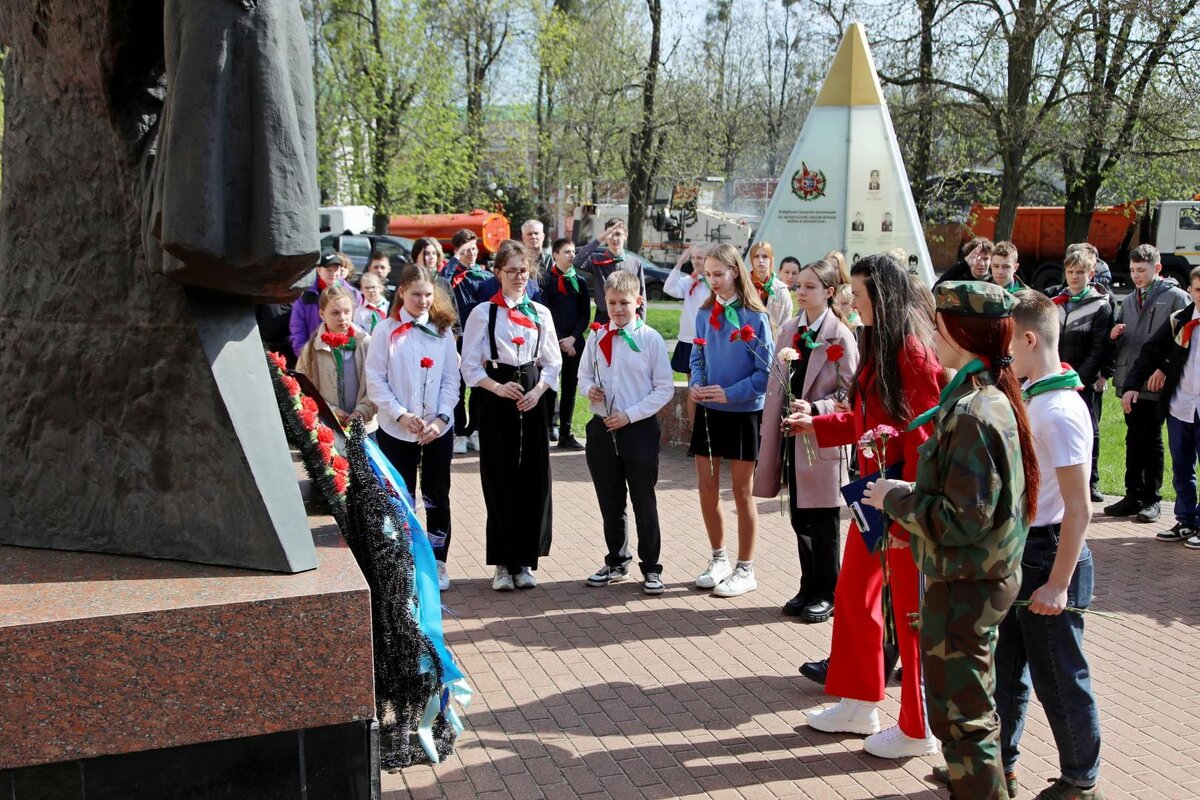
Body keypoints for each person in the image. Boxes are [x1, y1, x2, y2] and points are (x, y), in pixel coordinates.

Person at [864, 280, 1036, 797]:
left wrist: (896, 499)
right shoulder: (980, 397)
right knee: (963, 715)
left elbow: (962, 519)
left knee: (964, 720)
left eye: (936, 324)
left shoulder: (974, 411)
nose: (930, 334)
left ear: (955, 332)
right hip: (973, 577)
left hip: (967, 584)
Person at [789, 254, 942, 760]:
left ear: (883, 295)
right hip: (872, 495)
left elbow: (923, 437)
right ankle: (858, 700)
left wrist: (912, 508)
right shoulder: (878, 347)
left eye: (858, 292)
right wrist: (819, 425)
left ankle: (918, 727)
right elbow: (865, 419)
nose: (851, 300)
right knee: (854, 593)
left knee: (909, 615)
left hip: (900, 502)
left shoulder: (913, 355)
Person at [989, 289, 1105, 800]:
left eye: (1010, 342)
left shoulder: (1059, 410)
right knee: (1008, 669)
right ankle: (1002, 764)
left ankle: (1081, 781)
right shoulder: (1037, 393)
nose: (1005, 353)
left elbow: (1079, 510)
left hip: (1050, 551)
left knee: (1060, 677)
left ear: (1030, 338)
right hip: (1026, 547)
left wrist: (1059, 584)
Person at [753, 258, 858, 622]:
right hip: (792, 438)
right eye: (798, 285)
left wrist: (815, 407)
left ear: (829, 292)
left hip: (820, 439)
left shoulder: (840, 335)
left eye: (810, 287)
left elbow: (850, 396)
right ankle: (807, 584)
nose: (800, 291)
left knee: (823, 521)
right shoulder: (789, 329)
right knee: (799, 516)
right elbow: (775, 380)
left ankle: (828, 590)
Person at [460, 239, 562, 591]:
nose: (519, 277)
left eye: (524, 270)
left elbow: (553, 363)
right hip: (497, 392)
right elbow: (469, 366)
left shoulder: (541, 313)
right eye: (511, 270)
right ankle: (503, 562)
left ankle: (526, 562)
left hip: (531, 395)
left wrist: (537, 392)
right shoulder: (482, 313)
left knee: (532, 477)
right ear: (498, 272)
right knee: (499, 476)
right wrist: (496, 387)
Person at [579, 270, 675, 594]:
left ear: (638, 302)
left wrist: (630, 416)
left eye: (624, 303)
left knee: (643, 500)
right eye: (611, 303)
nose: (618, 309)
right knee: (610, 500)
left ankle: (652, 567)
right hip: (602, 428)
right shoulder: (596, 337)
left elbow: (664, 389)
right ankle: (616, 560)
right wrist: (589, 390)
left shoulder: (650, 339)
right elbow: (582, 377)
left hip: (638, 429)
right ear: (604, 303)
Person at [365, 264, 460, 591]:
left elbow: (451, 381)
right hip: (396, 429)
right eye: (416, 294)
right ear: (402, 292)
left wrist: (441, 418)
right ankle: (401, 558)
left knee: (436, 497)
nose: (422, 301)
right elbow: (376, 380)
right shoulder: (386, 330)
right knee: (399, 496)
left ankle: (437, 560)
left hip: (436, 431)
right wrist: (401, 414)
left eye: (428, 295)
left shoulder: (443, 332)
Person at [689, 243, 772, 598]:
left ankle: (745, 569)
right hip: (709, 413)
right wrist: (696, 384)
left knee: (741, 492)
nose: (713, 282)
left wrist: (729, 393)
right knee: (706, 488)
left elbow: (764, 374)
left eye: (718, 275)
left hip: (743, 414)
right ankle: (718, 558)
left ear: (736, 272)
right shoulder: (703, 313)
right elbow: (697, 356)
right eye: (707, 275)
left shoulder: (757, 317)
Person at [1108, 244, 1189, 522]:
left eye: (1141, 270)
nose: (1136, 276)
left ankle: (1152, 499)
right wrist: (1115, 334)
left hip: (1154, 382)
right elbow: (1122, 329)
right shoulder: (1130, 299)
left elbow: (1182, 339)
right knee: (1133, 438)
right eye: (1132, 270)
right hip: (1130, 377)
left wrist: (1164, 369)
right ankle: (1133, 494)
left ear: (1157, 269)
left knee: (1151, 438)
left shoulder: (1177, 298)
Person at [1123, 265, 1200, 546]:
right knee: (1182, 467)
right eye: (1198, 290)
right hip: (1181, 406)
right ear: (1190, 291)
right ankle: (1186, 520)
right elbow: (1151, 352)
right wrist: (1132, 385)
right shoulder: (1179, 320)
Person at [1048, 248, 1114, 503]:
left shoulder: (1100, 305)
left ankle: (1091, 481)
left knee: (1089, 430)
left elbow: (1100, 348)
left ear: (1091, 273)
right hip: (1055, 376)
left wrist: (1079, 379)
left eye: (1080, 272)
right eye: (1070, 271)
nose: (1074, 277)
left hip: (1082, 381)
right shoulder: (1055, 301)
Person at [295, 285, 377, 432]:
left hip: (365, 427)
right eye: (335, 313)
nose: (342, 318)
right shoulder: (312, 349)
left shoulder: (365, 343)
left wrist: (362, 411)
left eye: (347, 312)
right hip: (328, 428)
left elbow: (377, 384)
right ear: (321, 314)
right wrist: (330, 411)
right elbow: (304, 390)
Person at [439, 230, 492, 455]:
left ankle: (475, 431)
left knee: (480, 385)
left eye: (474, 248)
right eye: (465, 250)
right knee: (458, 386)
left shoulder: (484, 276)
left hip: (480, 339)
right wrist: (454, 260)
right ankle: (459, 431)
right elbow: (440, 280)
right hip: (457, 337)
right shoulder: (448, 275)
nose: (471, 253)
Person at [539, 237, 591, 449]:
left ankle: (566, 433)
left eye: (573, 252)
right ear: (555, 255)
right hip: (552, 343)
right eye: (567, 252)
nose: (572, 255)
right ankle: (547, 428)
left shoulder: (579, 281)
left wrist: (572, 338)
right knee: (549, 386)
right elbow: (545, 313)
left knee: (569, 388)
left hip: (574, 344)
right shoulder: (545, 281)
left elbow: (584, 314)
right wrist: (560, 340)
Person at [290, 252, 364, 358]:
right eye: (329, 270)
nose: (333, 274)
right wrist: (304, 355)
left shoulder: (353, 294)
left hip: (347, 353)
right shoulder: (305, 295)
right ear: (319, 270)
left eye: (336, 270)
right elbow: (298, 328)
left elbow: (359, 324)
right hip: (315, 354)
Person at [576, 218, 648, 324]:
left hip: (628, 317)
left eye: (618, 234)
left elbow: (641, 294)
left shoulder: (635, 263)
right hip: (603, 317)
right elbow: (577, 261)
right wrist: (599, 239)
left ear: (625, 236)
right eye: (610, 234)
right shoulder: (596, 260)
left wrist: (641, 322)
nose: (614, 238)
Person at [748, 241, 794, 336]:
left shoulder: (781, 290)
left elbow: (786, 324)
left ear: (771, 259)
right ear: (751, 260)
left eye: (765, 256)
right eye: (756, 256)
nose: (760, 260)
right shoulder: (743, 287)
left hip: (773, 344)